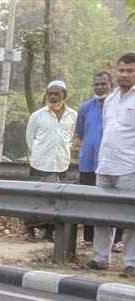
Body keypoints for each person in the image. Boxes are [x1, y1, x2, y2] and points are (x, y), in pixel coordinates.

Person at [88, 52, 135, 277]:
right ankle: (100, 257)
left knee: (131, 219)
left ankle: (131, 262)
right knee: (102, 214)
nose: (124, 75)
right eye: (122, 70)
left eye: (130, 71)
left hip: (130, 167)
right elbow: (108, 131)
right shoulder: (111, 99)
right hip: (105, 165)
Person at [23, 80, 77, 241]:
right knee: (35, 197)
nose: (53, 97)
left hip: (61, 163)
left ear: (64, 95)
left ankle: (49, 232)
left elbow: (72, 137)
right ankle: (30, 230)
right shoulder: (37, 115)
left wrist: (63, 150)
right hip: (40, 163)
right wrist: (39, 153)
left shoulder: (73, 115)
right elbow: (29, 138)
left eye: (56, 94)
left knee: (56, 200)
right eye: (50, 94)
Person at [75, 71, 112, 246]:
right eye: (96, 84)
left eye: (103, 84)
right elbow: (81, 133)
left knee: (113, 203)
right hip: (88, 161)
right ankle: (89, 238)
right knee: (88, 200)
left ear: (111, 85)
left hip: (110, 162)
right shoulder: (85, 107)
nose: (100, 87)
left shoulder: (115, 105)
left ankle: (116, 240)